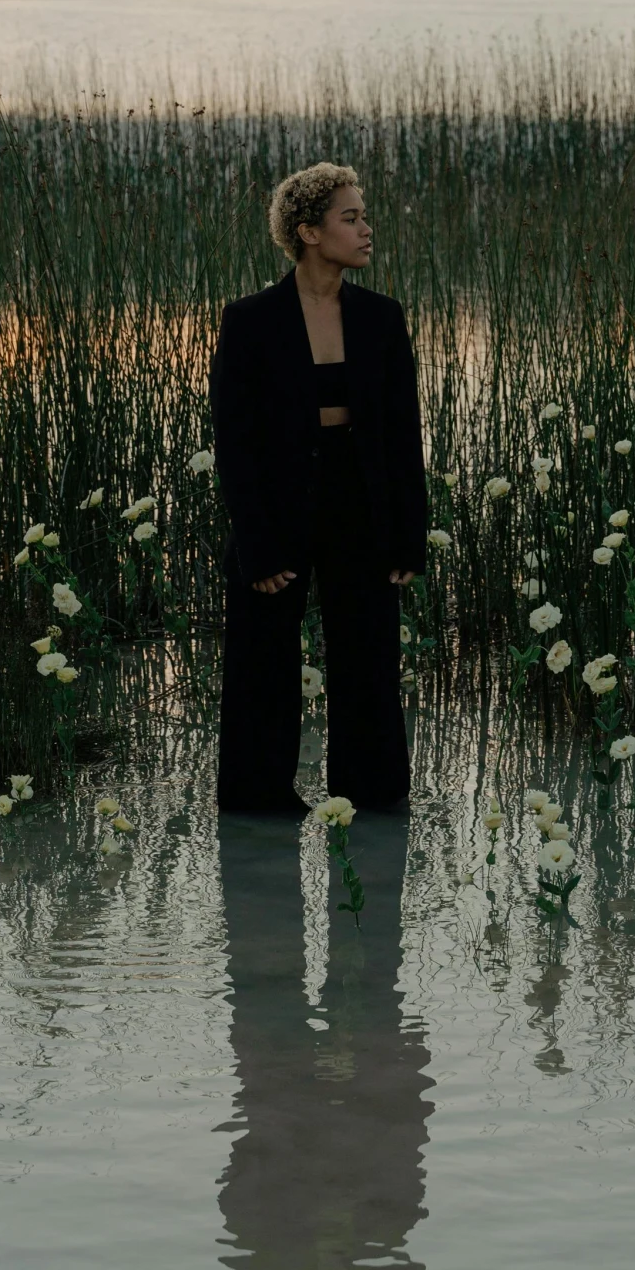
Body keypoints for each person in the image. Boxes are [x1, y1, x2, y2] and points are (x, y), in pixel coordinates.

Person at [210, 163, 427, 813]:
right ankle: (258, 803)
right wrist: (257, 546)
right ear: (308, 232)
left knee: (367, 659)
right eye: (350, 218)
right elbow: (235, 442)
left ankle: (370, 800)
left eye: (365, 216)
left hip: (359, 504)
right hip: (278, 505)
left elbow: (402, 436)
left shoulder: (381, 318)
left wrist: (407, 539)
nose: (367, 230)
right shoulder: (249, 320)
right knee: (261, 661)